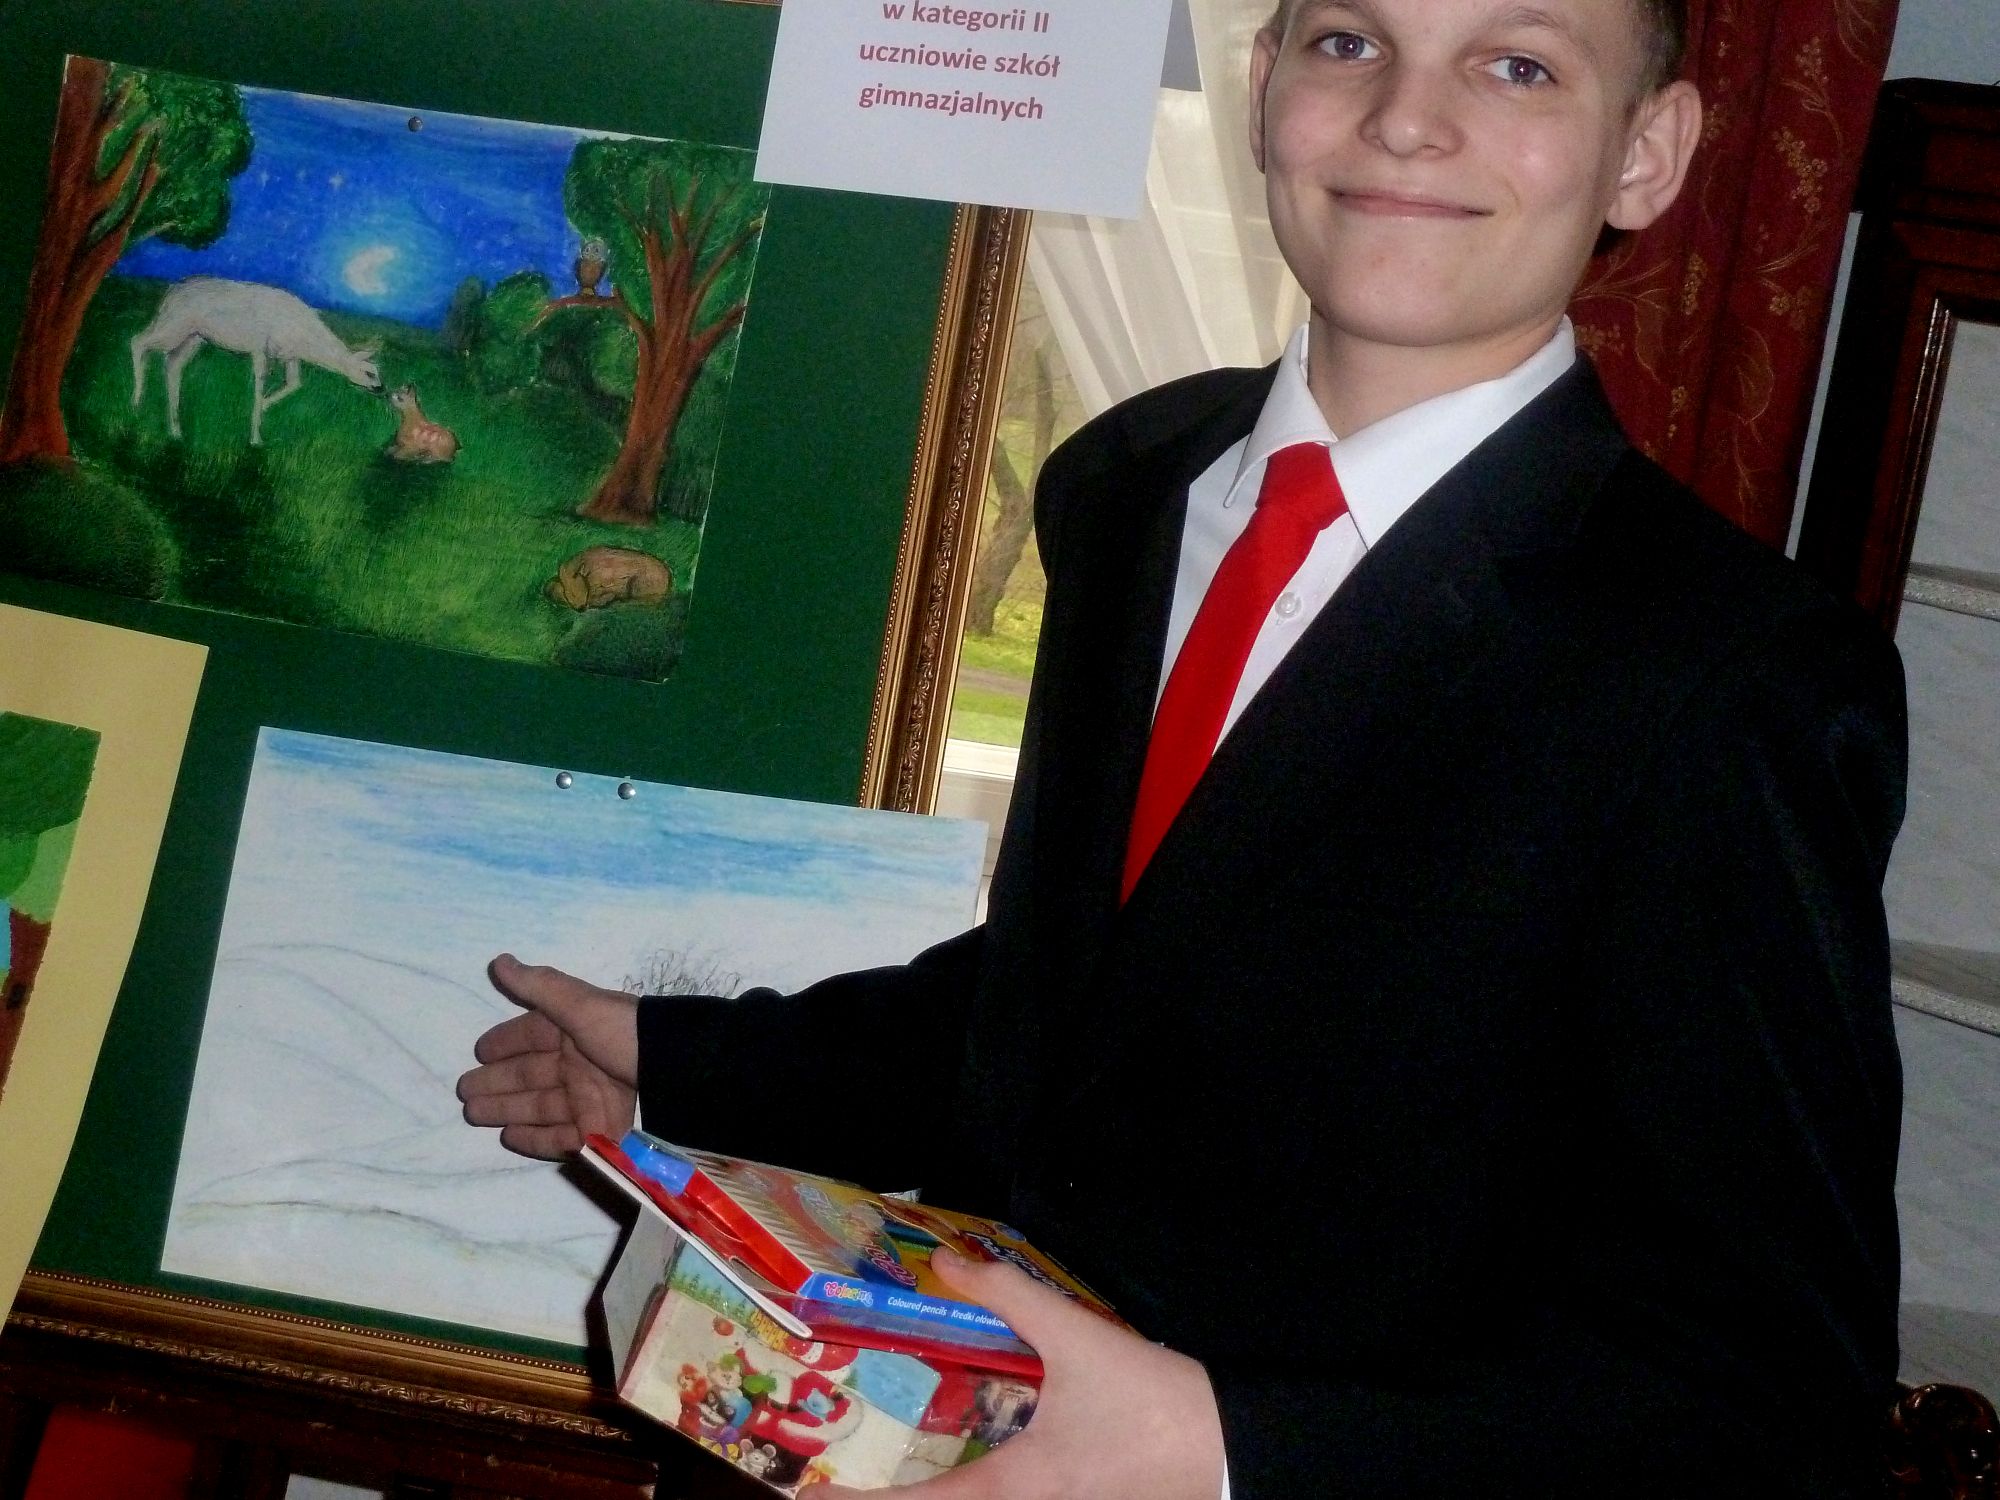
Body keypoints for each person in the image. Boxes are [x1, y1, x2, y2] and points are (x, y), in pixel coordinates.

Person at [459, 0, 1908, 1494]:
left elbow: (1769, 1390)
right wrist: (688, 1064)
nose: (1408, 119)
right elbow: (1091, 999)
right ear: (1264, 82)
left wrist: (1223, 1447)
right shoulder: (1134, 483)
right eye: (1350, 43)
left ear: (1647, 152)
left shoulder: (1726, 676)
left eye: (1518, 65)